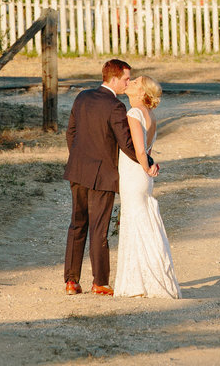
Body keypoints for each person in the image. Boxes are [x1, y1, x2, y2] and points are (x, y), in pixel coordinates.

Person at [63, 58, 158, 296]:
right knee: (98, 228)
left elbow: (71, 132)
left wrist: (78, 158)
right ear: (114, 79)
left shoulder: (82, 97)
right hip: (103, 174)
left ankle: (71, 282)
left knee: (77, 224)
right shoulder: (115, 107)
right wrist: (148, 162)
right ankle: (100, 282)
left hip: (77, 170)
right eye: (126, 78)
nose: (128, 83)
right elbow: (127, 145)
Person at [114, 75, 181, 298]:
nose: (129, 83)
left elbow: (141, 151)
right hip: (143, 178)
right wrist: (150, 166)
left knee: (136, 224)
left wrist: (146, 166)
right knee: (141, 222)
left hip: (134, 176)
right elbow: (149, 152)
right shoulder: (150, 115)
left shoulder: (133, 113)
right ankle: (143, 278)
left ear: (142, 93)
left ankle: (140, 282)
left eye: (135, 83)